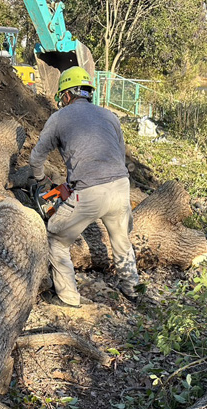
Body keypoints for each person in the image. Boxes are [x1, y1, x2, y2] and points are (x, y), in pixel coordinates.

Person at [29, 66, 140, 308]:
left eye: (62, 97)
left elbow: (36, 158)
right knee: (121, 239)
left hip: (90, 193)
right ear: (88, 92)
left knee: (56, 239)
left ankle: (68, 299)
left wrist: (39, 180)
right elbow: (118, 156)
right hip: (121, 186)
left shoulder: (59, 118)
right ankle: (133, 290)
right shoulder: (110, 116)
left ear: (67, 95)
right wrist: (71, 183)